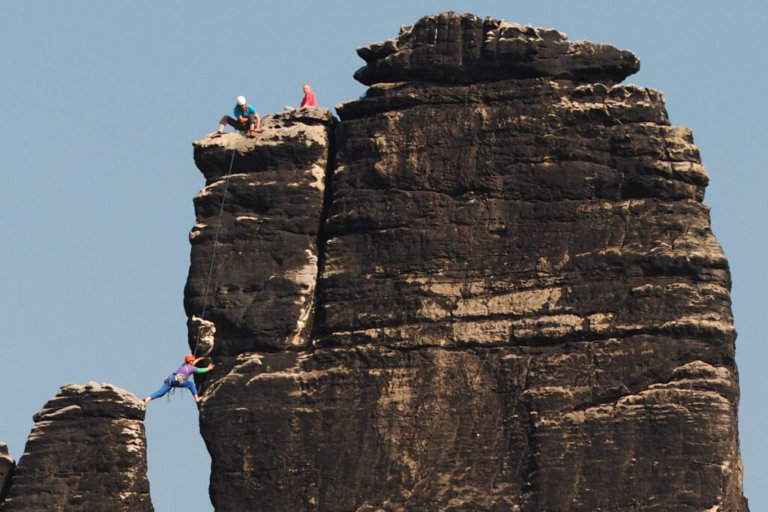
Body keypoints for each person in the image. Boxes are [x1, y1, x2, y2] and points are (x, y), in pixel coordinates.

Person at [144, 354, 214, 404]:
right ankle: (197, 399)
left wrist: (198, 359)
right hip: (177, 380)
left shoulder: (183, 366)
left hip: (169, 379)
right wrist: (209, 368)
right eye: (193, 361)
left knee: (161, 392)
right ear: (191, 361)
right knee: (191, 384)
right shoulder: (192, 368)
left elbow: (192, 363)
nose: (193, 362)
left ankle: (147, 399)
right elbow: (200, 370)